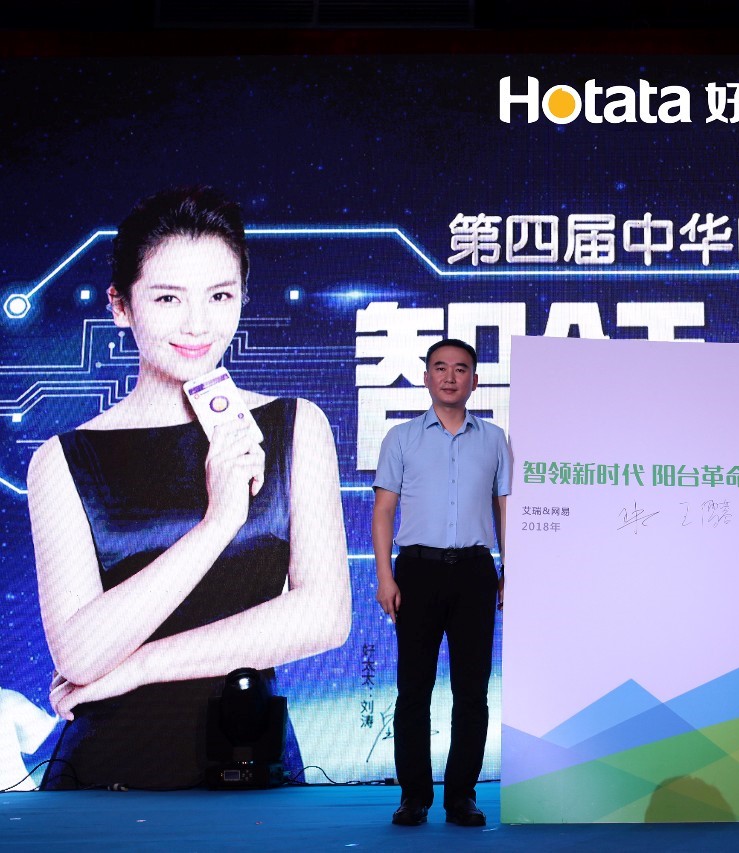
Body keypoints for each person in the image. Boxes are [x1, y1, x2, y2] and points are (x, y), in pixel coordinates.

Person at [27, 187, 351, 789]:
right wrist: (218, 523)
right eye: (168, 297)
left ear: (243, 298)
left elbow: (323, 617)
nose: (198, 324)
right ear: (120, 306)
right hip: (107, 772)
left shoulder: (295, 426)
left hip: (248, 752)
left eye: (220, 296)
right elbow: (79, 655)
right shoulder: (63, 459)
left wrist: (141, 666)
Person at [372, 337, 509, 828]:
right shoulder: (401, 438)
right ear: (426, 376)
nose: (451, 377)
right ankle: (414, 797)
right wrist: (385, 576)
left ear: (475, 380)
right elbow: (383, 511)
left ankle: (461, 797)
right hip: (417, 571)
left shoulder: (494, 439)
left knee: (472, 692)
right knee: (414, 690)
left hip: (475, 571)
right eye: (441, 367)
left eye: (461, 369)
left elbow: (505, 509)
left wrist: (509, 571)